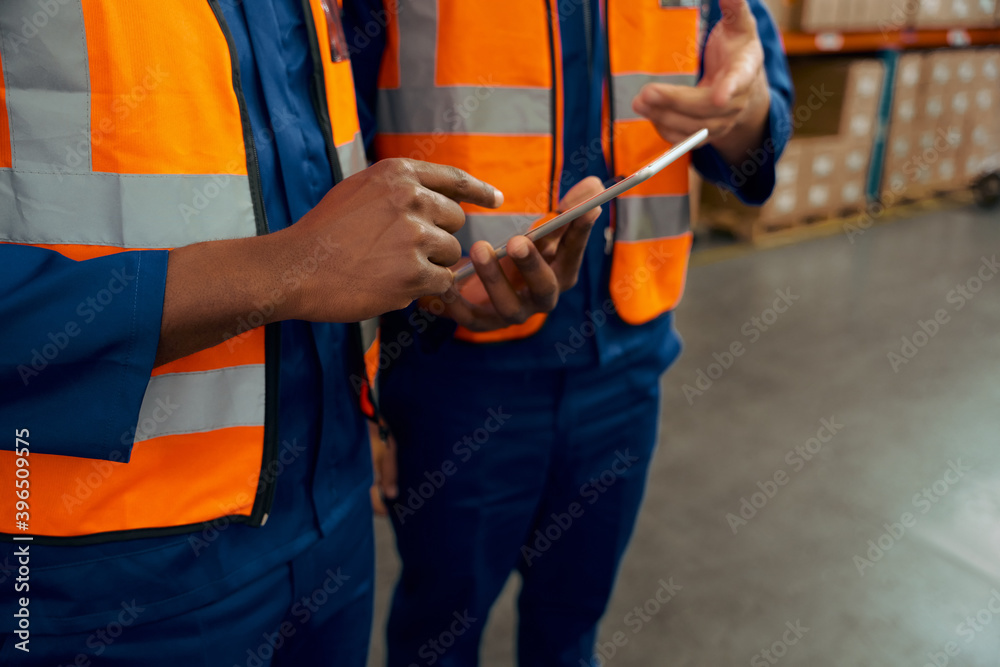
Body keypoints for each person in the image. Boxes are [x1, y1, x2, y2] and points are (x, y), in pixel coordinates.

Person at [0, 2, 597, 664]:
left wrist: (427, 290)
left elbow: (306, 175)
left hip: (326, 523)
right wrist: (286, 271)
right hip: (88, 567)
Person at [347, 0, 794, 665]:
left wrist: (746, 112)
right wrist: (362, 396)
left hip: (625, 363)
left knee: (572, 623)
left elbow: (758, 117)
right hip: (455, 371)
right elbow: (331, 154)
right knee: (440, 628)